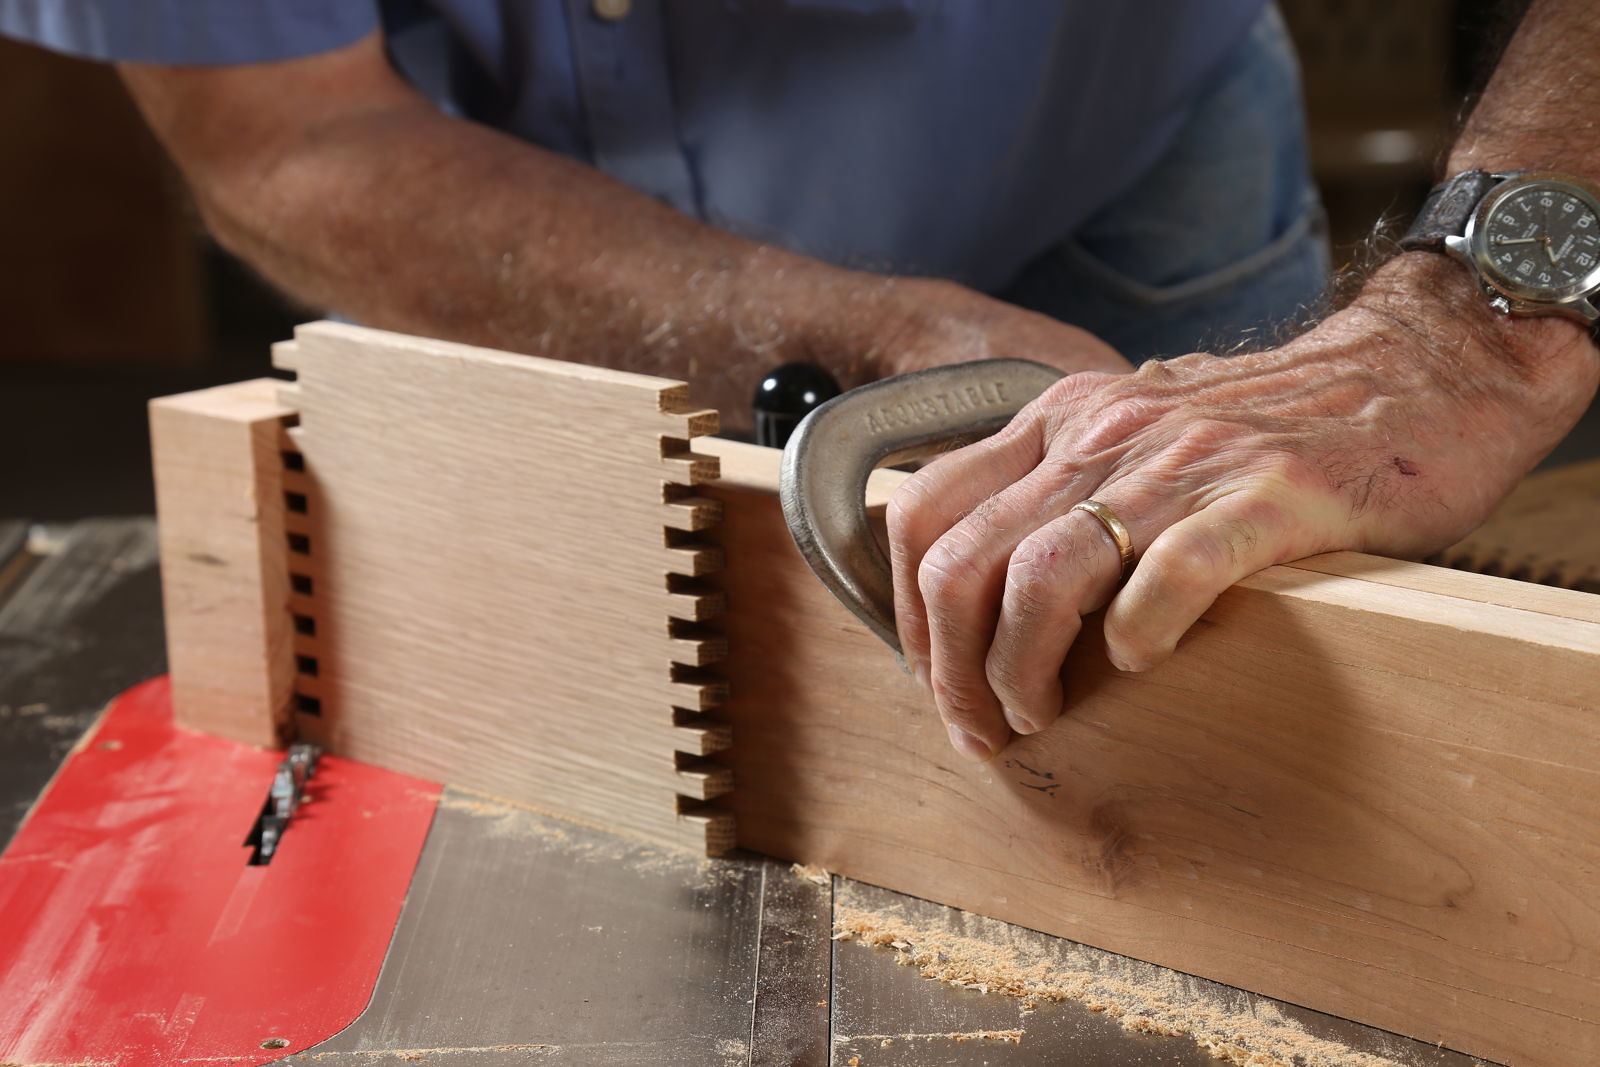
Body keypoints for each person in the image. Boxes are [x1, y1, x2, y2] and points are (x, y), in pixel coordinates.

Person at [4, 2, 1594, 764]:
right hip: (512, 233)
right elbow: (288, 133)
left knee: (1250, 713)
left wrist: (1478, 318)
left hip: (1110, 149)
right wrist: (869, 332)